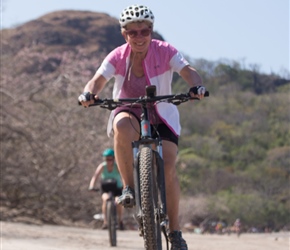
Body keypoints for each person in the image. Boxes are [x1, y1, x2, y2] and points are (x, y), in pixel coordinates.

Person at [79, 4, 206, 249]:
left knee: (168, 166)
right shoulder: (117, 55)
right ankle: (128, 187)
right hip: (129, 109)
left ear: (151, 31)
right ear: (124, 34)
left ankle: (175, 232)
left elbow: (188, 71)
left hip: (162, 113)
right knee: (121, 125)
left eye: (144, 31)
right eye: (132, 32)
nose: (139, 37)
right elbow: (98, 80)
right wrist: (88, 94)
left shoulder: (165, 50)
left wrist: (196, 86)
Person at [88, 148, 124, 230]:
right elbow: (95, 176)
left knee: (118, 202)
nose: (108, 161)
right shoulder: (102, 166)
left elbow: (123, 176)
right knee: (105, 199)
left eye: (110, 159)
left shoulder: (117, 166)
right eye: (106, 159)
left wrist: (126, 186)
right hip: (105, 188)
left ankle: (120, 220)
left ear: (113, 159)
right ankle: (105, 222)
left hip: (117, 188)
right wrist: (91, 186)